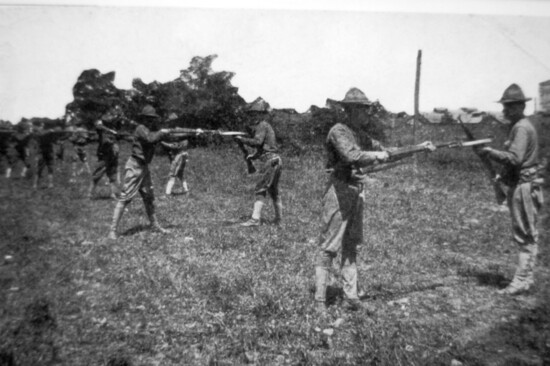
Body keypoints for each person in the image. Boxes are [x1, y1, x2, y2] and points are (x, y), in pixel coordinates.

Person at [313, 87, 433, 314]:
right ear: (351, 110)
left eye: (368, 110)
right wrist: (379, 155)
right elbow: (352, 156)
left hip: (356, 191)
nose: (367, 114)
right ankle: (320, 300)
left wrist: (418, 148)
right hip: (338, 190)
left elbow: (388, 151)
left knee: (351, 246)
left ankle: (351, 297)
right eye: (363, 110)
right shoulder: (339, 131)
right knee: (329, 247)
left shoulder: (362, 135)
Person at [480, 84, 544, 295]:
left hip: (524, 187)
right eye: (504, 106)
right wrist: (502, 176)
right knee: (526, 232)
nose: (505, 111)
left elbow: (516, 159)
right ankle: (526, 277)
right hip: (522, 184)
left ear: (518, 107)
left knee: (525, 234)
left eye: (508, 107)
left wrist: (490, 152)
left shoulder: (521, 128)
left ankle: (521, 280)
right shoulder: (521, 126)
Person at [107, 105, 201, 239]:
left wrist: (192, 133)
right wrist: (163, 132)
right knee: (125, 198)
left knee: (149, 198)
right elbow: (151, 138)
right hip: (134, 167)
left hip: (144, 168)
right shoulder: (140, 129)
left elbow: (172, 137)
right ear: (143, 118)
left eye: (152, 119)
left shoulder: (152, 130)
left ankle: (154, 225)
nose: (150, 121)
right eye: (148, 119)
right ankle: (112, 230)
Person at [234, 98, 283, 226]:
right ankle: (279, 220)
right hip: (275, 159)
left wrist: (242, 139)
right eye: (251, 114)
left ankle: (255, 219)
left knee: (260, 189)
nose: (252, 116)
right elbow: (266, 146)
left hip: (270, 161)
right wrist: (254, 156)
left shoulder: (262, 125)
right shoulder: (265, 126)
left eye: (255, 113)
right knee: (274, 191)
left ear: (261, 114)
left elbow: (257, 142)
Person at [88, 114, 120, 199]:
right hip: (104, 156)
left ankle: (113, 194)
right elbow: (99, 127)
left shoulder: (113, 128)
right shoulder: (102, 128)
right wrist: (109, 130)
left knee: (113, 175)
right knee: (97, 175)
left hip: (113, 155)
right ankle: (90, 194)